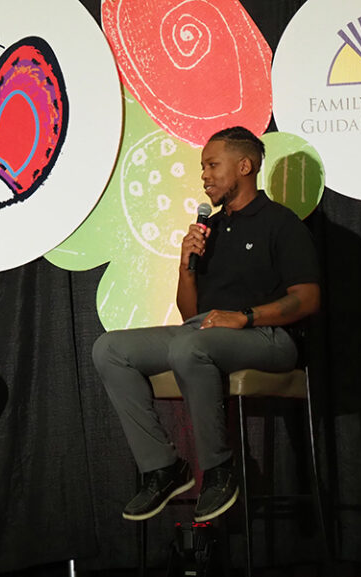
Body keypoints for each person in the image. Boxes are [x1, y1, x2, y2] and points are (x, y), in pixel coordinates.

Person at [92, 126, 320, 523]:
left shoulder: (281, 224)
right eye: (203, 167)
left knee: (189, 346)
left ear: (245, 166)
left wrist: (245, 317)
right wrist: (186, 266)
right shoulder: (210, 229)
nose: (205, 176)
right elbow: (189, 313)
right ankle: (163, 467)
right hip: (205, 332)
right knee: (109, 349)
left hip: (268, 337)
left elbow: (308, 298)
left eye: (213, 165)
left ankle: (218, 468)